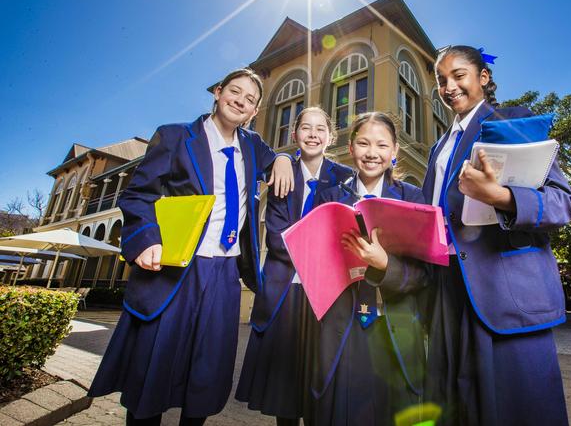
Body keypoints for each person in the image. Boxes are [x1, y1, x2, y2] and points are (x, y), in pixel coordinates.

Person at [88, 68, 295, 425]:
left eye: (249, 99)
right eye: (234, 91)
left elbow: (275, 155)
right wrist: (147, 240)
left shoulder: (252, 146)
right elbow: (138, 195)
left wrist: (283, 158)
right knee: (152, 369)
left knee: (206, 374)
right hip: (179, 268)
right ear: (218, 92)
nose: (240, 101)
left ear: (254, 112)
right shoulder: (174, 137)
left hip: (226, 273)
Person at [422, 45, 571, 425]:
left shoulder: (513, 122)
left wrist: (503, 198)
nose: (449, 86)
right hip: (446, 297)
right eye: (442, 80)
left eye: (458, 75)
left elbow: (562, 203)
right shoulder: (437, 149)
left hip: (505, 296)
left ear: (483, 78)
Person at [306, 112, 428, 426]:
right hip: (342, 324)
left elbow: (424, 273)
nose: (372, 153)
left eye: (381, 145)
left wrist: (385, 264)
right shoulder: (329, 198)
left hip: (394, 324)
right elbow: (314, 261)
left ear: (395, 151)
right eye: (363, 143)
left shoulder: (414, 199)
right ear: (351, 146)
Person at [236, 107, 353, 426]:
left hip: (326, 298)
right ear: (294, 135)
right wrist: (321, 243)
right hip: (285, 295)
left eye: (320, 128)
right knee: (284, 394)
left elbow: (346, 235)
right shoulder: (281, 175)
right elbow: (277, 236)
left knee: (321, 389)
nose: (313, 134)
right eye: (306, 127)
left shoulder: (346, 179)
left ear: (331, 137)